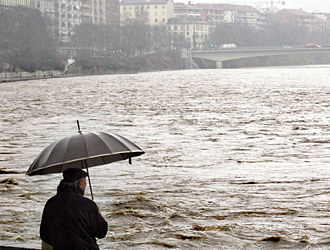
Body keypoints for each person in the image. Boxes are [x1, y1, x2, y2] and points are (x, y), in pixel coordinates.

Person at [40, 168, 108, 250]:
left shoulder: (51, 203)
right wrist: (98, 214)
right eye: (85, 184)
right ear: (80, 185)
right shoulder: (87, 204)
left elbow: (44, 234)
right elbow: (101, 232)